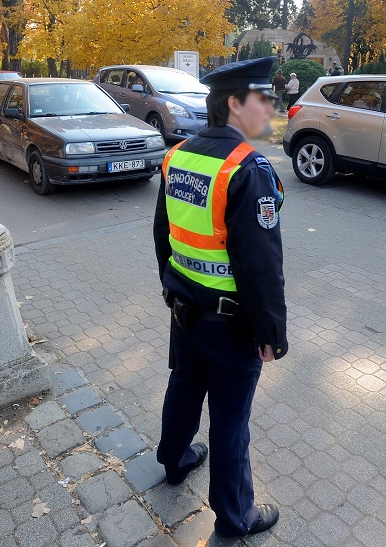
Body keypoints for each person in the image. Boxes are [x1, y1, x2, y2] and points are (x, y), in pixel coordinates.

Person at [153, 55, 286, 539]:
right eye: (262, 100)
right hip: (231, 325)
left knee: (184, 385)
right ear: (234, 104)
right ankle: (235, 518)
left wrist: (174, 288)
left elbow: (162, 235)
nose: (270, 110)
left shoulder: (178, 154)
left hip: (185, 310)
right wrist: (272, 333)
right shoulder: (247, 168)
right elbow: (260, 266)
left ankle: (174, 459)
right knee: (230, 421)